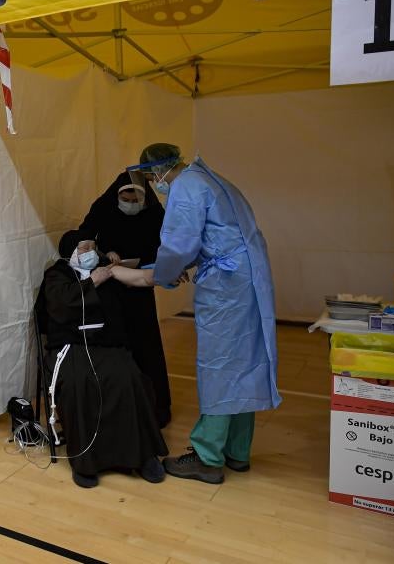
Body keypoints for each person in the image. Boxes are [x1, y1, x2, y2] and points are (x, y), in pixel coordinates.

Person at [132, 143, 281, 485]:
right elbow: (220, 234)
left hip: (227, 286)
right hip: (248, 280)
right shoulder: (212, 179)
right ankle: (236, 451)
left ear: (157, 173)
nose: (155, 185)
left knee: (219, 365)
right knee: (244, 361)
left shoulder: (185, 186)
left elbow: (178, 244)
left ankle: (207, 457)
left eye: (152, 178)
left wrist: (162, 275)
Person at [40, 231, 168, 488]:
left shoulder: (105, 270)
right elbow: (59, 307)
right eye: (84, 247)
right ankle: (85, 461)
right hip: (72, 346)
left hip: (105, 343)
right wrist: (92, 282)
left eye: (93, 247)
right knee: (79, 382)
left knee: (129, 377)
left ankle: (142, 455)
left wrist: (169, 272)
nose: (91, 252)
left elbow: (138, 282)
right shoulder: (57, 274)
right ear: (70, 251)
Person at [79, 170, 171, 427]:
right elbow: (84, 238)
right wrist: (104, 252)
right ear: (116, 195)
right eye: (125, 199)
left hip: (141, 287)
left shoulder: (154, 214)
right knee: (117, 347)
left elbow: (166, 245)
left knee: (147, 345)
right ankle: (117, 409)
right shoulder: (103, 208)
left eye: (135, 201)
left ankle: (155, 409)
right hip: (111, 289)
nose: (130, 205)